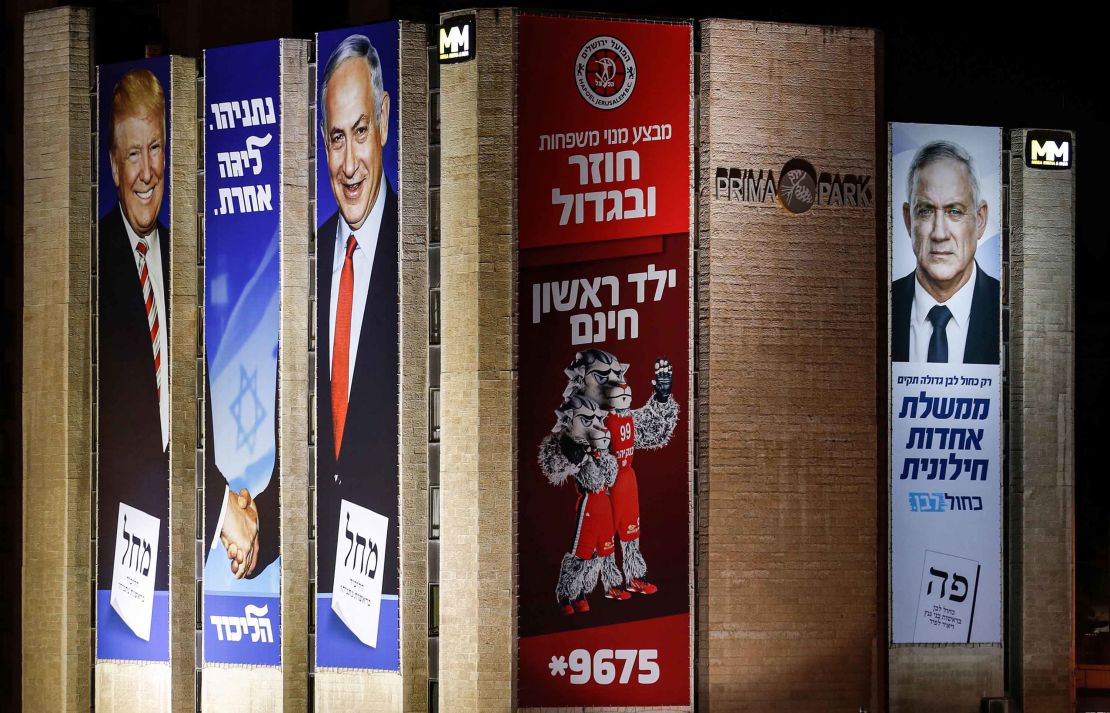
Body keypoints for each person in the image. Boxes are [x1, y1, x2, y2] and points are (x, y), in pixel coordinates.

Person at [315, 34, 400, 605]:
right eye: (336, 139)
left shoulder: (419, 249)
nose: (348, 165)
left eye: (361, 132)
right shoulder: (307, 259)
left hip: (398, 584)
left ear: (386, 119)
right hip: (319, 588)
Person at [97, 68, 173, 597]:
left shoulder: (187, 254)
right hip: (121, 542)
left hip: (182, 526)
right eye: (132, 156)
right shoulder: (92, 264)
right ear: (113, 167)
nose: (147, 172)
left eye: (155, 148)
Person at [892, 140, 999, 365]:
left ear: (980, 220)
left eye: (954, 211)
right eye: (926, 211)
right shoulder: (882, 306)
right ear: (908, 219)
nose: (939, 233)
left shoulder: (1003, 309)